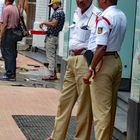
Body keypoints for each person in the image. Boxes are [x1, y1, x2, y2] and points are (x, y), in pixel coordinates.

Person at [46, 0, 101, 140]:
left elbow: (97, 44)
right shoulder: (76, 13)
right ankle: (56, 136)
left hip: (85, 60)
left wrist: (91, 67)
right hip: (71, 59)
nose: (79, 1)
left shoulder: (97, 15)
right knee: (64, 101)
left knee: (84, 106)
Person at [83, 0, 127, 139]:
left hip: (103, 63)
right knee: (110, 110)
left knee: (101, 112)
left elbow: (101, 47)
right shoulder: (121, 15)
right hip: (116, 61)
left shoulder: (105, 18)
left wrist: (91, 69)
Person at [39, 0, 65, 80]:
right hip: (55, 36)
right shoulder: (62, 12)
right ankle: (53, 73)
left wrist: (44, 22)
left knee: (50, 56)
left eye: (52, 5)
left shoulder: (58, 12)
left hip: (52, 37)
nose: (51, 7)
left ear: (57, 4)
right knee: (53, 56)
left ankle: (51, 74)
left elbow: (54, 24)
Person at [0, 0, 19, 81]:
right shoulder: (15, 9)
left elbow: (4, 25)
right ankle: (12, 74)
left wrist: (0, 36)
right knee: (12, 53)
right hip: (14, 33)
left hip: (8, 33)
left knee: (7, 54)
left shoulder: (6, 9)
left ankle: (9, 74)